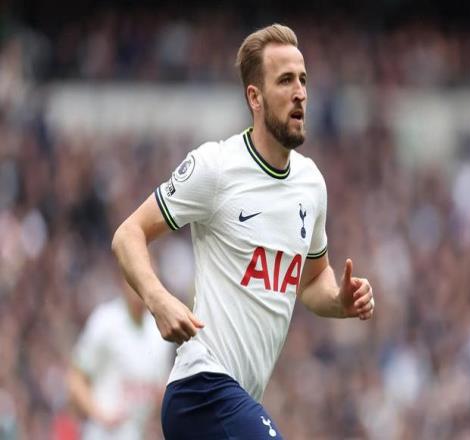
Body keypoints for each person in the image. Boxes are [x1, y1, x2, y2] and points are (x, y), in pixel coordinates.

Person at [112, 23, 375, 439]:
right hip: (201, 389)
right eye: (285, 80)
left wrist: (340, 301)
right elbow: (128, 234)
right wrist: (158, 299)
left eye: (303, 80)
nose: (300, 92)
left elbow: (311, 282)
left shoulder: (311, 184)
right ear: (255, 97)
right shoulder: (216, 167)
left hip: (237, 400)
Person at [66, 279, 176, 440]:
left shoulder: (161, 330)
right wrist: (100, 415)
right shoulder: (105, 320)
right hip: (104, 435)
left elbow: (160, 392)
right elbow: (75, 379)